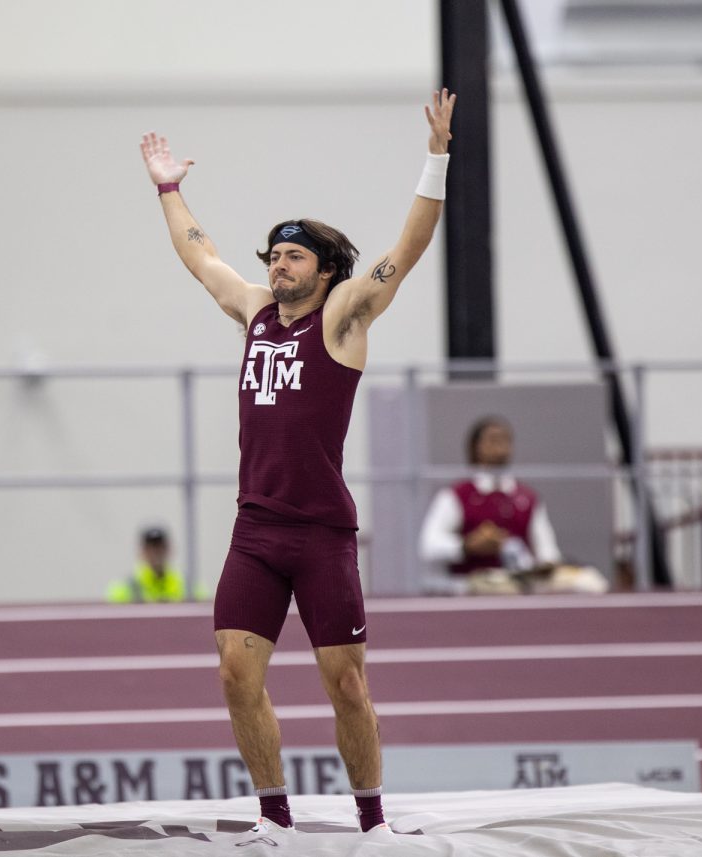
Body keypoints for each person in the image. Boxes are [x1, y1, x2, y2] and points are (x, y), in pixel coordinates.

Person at [139, 88, 456, 836]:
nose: (276, 265)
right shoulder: (253, 311)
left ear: (323, 270)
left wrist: (437, 156)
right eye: (274, 254)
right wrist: (169, 188)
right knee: (233, 674)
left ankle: (372, 824)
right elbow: (199, 257)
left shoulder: (343, 317)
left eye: (292, 255)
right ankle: (275, 818)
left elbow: (405, 251)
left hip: (320, 534)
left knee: (345, 683)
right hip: (256, 531)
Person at [418, 416, 604, 596]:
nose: (500, 447)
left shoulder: (526, 498)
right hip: (477, 581)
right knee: (495, 588)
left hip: (522, 579)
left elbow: (547, 551)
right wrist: (468, 546)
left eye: (505, 440)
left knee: (590, 582)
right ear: (475, 447)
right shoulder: (457, 495)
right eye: (492, 440)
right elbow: (429, 545)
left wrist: (545, 568)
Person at [107, 526, 188, 603]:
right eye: (151, 548)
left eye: (160, 547)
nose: (156, 552)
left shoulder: (186, 586)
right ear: (142, 552)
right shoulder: (125, 588)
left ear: (169, 550)